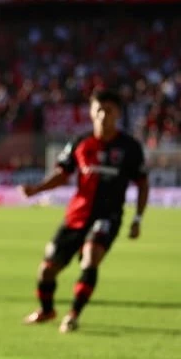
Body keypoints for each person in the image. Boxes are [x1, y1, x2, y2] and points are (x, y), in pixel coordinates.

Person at [19, 90, 148, 333]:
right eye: (98, 109)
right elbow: (62, 173)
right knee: (46, 270)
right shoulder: (80, 142)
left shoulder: (129, 147)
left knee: (90, 258)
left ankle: (73, 315)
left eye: (108, 110)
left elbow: (142, 183)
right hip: (76, 216)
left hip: (107, 215)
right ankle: (47, 310)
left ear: (118, 113)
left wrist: (138, 218)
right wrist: (36, 189)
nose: (102, 115)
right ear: (91, 112)